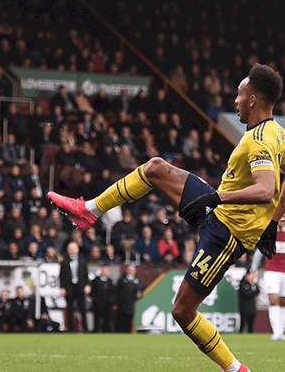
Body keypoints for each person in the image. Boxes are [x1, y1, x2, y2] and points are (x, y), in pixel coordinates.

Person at [48, 64, 283, 372]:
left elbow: (266, 189)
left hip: (227, 233)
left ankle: (238, 370)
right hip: (221, 211)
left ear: (253, 100)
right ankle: (88, 210)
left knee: (183, 312)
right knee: (156, 167)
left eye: (240, 94)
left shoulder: (260, 140)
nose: (235, 100)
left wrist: (219, 198)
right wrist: (271, 222)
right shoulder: (278, 133)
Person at [251, 244, 285, 341]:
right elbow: (259, 252)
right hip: (271, 271)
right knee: (273, 299)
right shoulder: (271, 232)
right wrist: (253, 269)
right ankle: (276, 331)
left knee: (283, 301)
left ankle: (281, 331)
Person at [59, 241, 90, 333]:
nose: (72, 251)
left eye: (74, 249)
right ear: (68, 250)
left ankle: (85, 328)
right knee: (69, 310)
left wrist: (87, 285)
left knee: (83, 309)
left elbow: (86, 275)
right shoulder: (64, 262)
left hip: (80, 287)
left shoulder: (82, 261)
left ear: (77, 249)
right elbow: (61, 276)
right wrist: (62, 287)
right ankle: (70, 329)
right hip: (69, 288)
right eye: (70, 249)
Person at [115, 264, 142, 333]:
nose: (131, 272)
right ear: (126, 270)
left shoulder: (137, 281)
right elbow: (116, 292)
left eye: (132, 270)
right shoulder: (121, 280)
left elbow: (139, 290)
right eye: (129, 270)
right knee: (122, 320)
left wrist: (139, 294)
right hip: (122, 305)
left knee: (130, 320)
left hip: (132, 305)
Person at [91, 264, 114, 333]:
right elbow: (92, 292)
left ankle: (106, 331)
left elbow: (113, 292)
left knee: (107, 319)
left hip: (107, 304)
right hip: (97, 304)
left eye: (106, 271)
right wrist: (96, 300)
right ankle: (96, 331)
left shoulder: (110, 281)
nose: (105, 272)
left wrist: (111, 300)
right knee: (97, 319)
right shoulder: (95, 281)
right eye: (103, 270)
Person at [237, 269, 259, 334]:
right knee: (243, 323)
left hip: (252, 307)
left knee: (251, 324)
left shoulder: (253, 284)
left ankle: (250, 333)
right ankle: (240, 333)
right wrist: (252, 292)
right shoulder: (242, 283)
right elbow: (246, 293)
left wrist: (252, 285)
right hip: (244, 307)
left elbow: (257, 291)